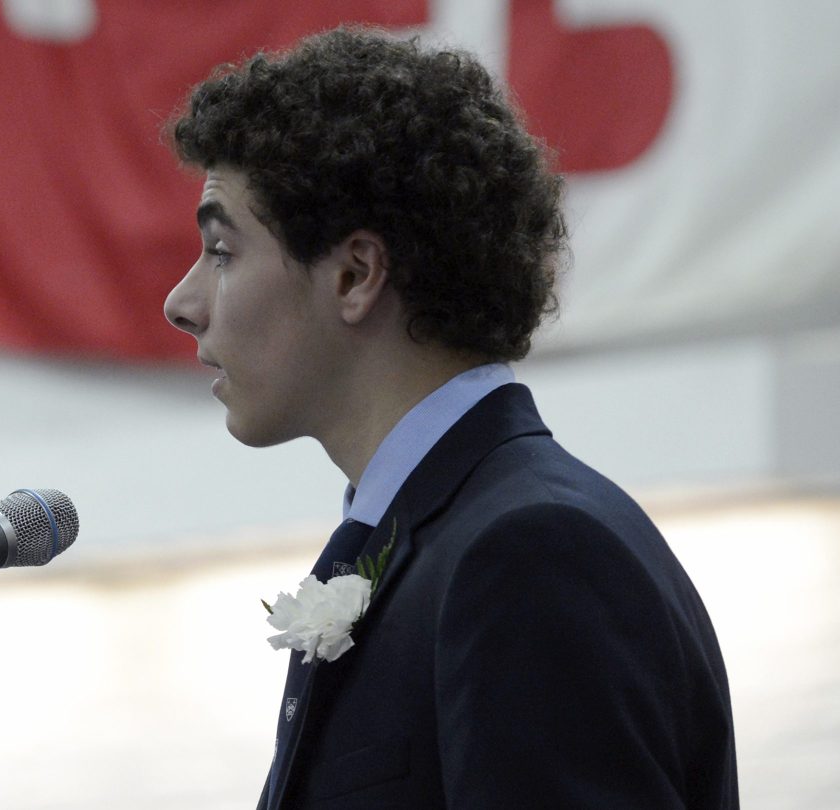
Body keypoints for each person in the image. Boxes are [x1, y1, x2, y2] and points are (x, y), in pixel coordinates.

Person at [161, 27, 738, 810]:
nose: (182, 304)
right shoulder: (444, 542)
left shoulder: (529, 554)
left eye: (223, 250)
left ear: (357, 275)